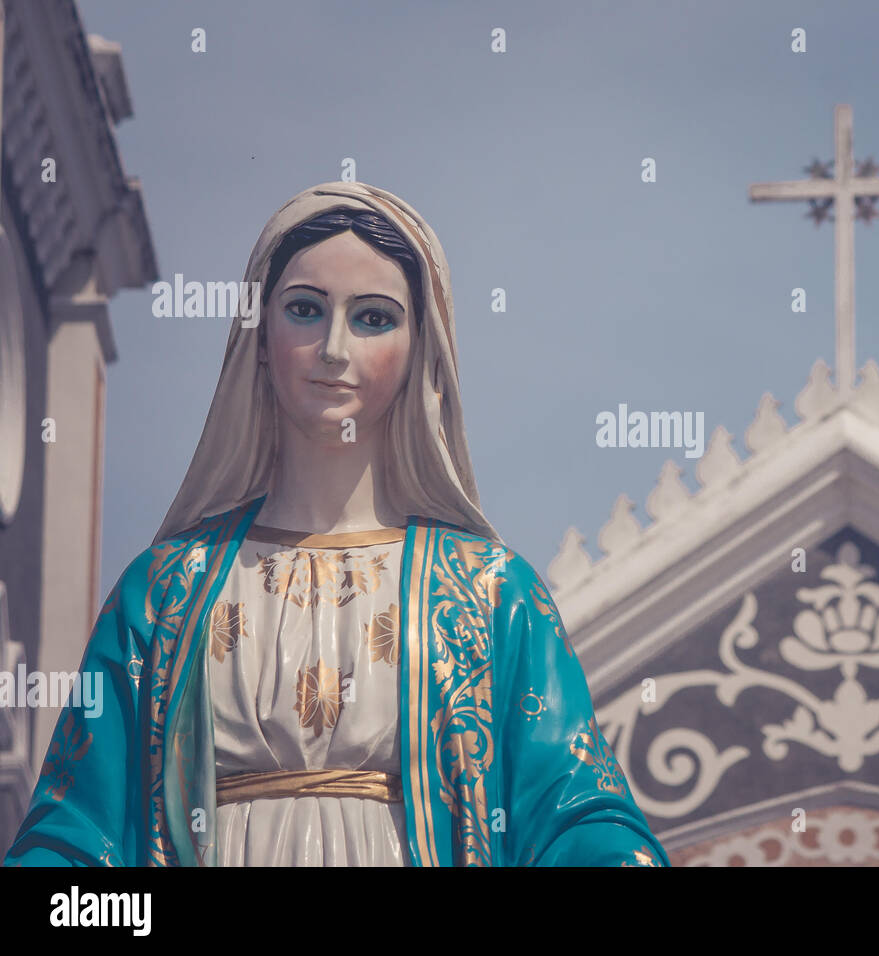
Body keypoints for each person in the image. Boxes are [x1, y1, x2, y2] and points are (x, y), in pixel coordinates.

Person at [3, 181, 668, 867]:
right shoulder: (167, 591)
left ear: (420, 351)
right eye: (304, 310)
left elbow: (573, 810)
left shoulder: (492, 596)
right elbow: (79, 832)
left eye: (373, 318)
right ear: (258, 337)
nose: (332, 347)